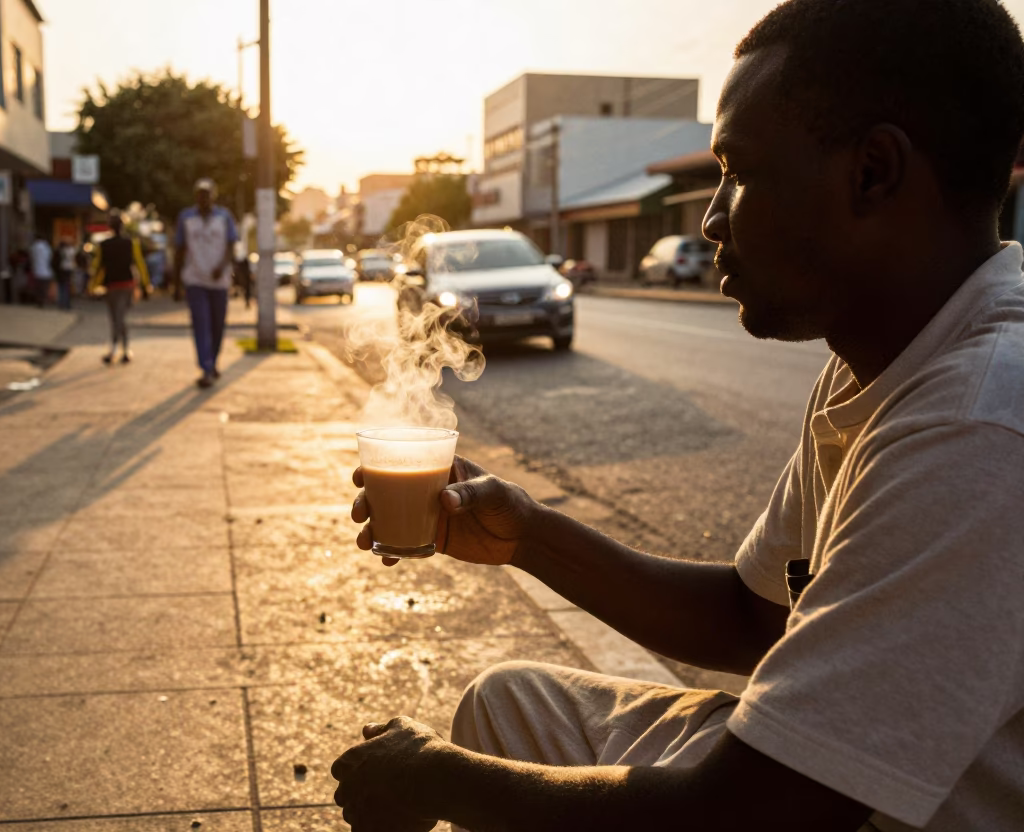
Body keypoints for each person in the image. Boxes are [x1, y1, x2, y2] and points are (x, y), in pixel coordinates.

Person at [332, 1, 1024, 830]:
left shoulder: (980, 426)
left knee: (481, 763)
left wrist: (434, 780)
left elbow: (739, 817)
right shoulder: (876, 358)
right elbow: (748, 616)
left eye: (739, 171)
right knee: (509, 704)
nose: (711, 217)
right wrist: (528, 536)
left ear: (872, 172)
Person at [175, 179, 238, 388]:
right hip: (195, 280)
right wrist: (176, 283)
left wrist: (223, 266)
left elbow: (231, 246)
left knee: (217, 325)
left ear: (213, 196)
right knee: (201, 324)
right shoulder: (186, 218)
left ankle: (213, 361)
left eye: (207, 194)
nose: (204, 199)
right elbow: (179, 250)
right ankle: (206, 367)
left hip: (219, 281)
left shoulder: (224, 217)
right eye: (200, 194)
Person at [89, 214, 150, 365]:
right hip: (125, 285)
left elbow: (97, 267)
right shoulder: (131, 243)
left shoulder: (104, 245)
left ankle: (116, 349)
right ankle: (124, 349)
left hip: (113, 286)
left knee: (117, 318)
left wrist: (91, 286)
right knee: (118, 318)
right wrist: (145, 284)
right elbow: (140, 264)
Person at [28, 234, 53, 308]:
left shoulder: (34, 246)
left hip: (37, 271)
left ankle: (39, 301)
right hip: (46, 272)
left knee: (38, 288)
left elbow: (32, 257)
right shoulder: (47, 247)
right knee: (44, 288)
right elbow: (50, 258)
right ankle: (42, 301)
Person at [55, 238, 76, 310]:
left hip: (64, 270)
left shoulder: (63, 251)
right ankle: (64, 303)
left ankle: (63, 303)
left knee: (63, 288)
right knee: (65, 287)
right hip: (66, 270)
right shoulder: (70, 250)